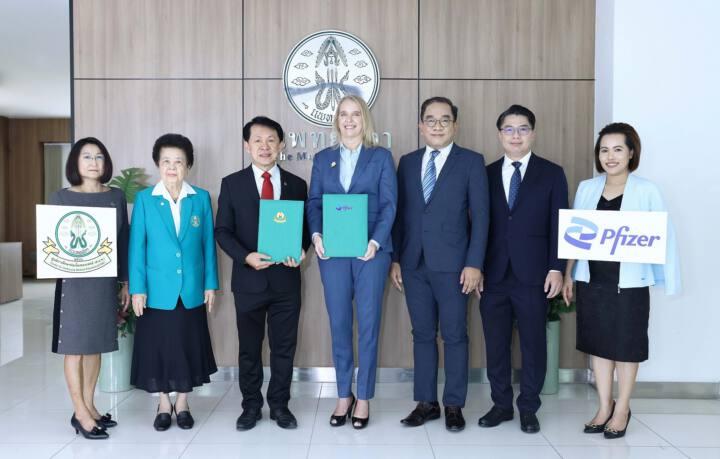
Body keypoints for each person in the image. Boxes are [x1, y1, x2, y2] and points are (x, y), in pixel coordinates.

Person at [562, 122, 680, 439]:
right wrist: (569, 273)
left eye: (617, 149)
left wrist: (668, 277)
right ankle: (604, 406)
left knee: (627, 347)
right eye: (604, 150)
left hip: (630, 283)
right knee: (599, 346)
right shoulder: (587, 188)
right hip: (593, 279)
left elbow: (664, 236)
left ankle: (623, 409)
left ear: (631, 153)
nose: (610, 156)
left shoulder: (647, 190)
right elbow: (575, 235)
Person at [391, 96, 489, 432]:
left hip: (454, 266)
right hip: (413, 264)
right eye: (430, 120)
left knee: (455, 335)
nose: (437, 126)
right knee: (421, 334)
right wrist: (396, 259)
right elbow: (400, 216)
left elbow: (482, 217)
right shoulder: (407, 162)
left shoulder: (471, 162)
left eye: (444, 120)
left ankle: (453, 404)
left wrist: (474, 263)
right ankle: (426, 403)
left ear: (455, 125)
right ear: (421, 126)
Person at [307, 95, 397, 429]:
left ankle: (364, 397)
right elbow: (314, 202)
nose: (349, 119)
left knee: (369, 325)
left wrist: (375, 242)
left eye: (355, 113)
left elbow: (389, 205)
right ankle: (343, 394)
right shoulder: (323, 159)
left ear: (364, 119)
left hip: (370, 252)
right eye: (343, 114)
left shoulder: (381, 157)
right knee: (340, 323)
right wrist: (316, 236)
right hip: (332, 253)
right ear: (336, 120)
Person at [215, 116, 310, 431]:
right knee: (249, 349)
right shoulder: (232, 183)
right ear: (247, 146)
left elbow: (306, 229)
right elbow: (222, 231)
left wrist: (302, 250)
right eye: (257, 140)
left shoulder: (297, 185)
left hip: (286, 281)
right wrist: (246, 257)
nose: (265, 146)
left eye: (271, 140)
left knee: (284, 348)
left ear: (280, 144)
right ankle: (251, 406)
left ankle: (280, 405)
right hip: (249, 280)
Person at [479, 104, 568, 434]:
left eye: (523, 129)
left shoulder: (552, 173)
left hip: (534, 274)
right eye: (509, 129)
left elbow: (559, 223)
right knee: (495, 344)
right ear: (499, 134)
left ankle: (528, 407)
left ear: (533, 133)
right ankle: (501, 405)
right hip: (493, 274)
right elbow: (476, 225)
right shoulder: (485, 173)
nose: (515, 135)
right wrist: (475, 267)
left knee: (533, 344)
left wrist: (556, 268)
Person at [129, 133, 219, 431]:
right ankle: (163, 403)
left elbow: (207, 244)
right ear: (157, 164)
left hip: (191, 288)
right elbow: (137, 246)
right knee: (159, 347)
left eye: (178, 161)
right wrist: (137, 289)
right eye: (166, 161)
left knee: (187, 346)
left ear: (188, 165)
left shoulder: (200, 198)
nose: (171, 167)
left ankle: (182, 402)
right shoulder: (145, 199)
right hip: (156, 290)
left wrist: (210, 284)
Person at [50, 137, 129, 440]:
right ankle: (79, 413)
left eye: (99, 157)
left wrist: (124, 281)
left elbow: (123, 239)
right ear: (75, 162)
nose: (93, 162)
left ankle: (90, 406)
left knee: (96, 344)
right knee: (75, 347)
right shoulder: (61, 197)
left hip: (103, 281)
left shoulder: (116, 196)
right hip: (73, 283)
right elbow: (52, 240)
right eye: (86, 156)